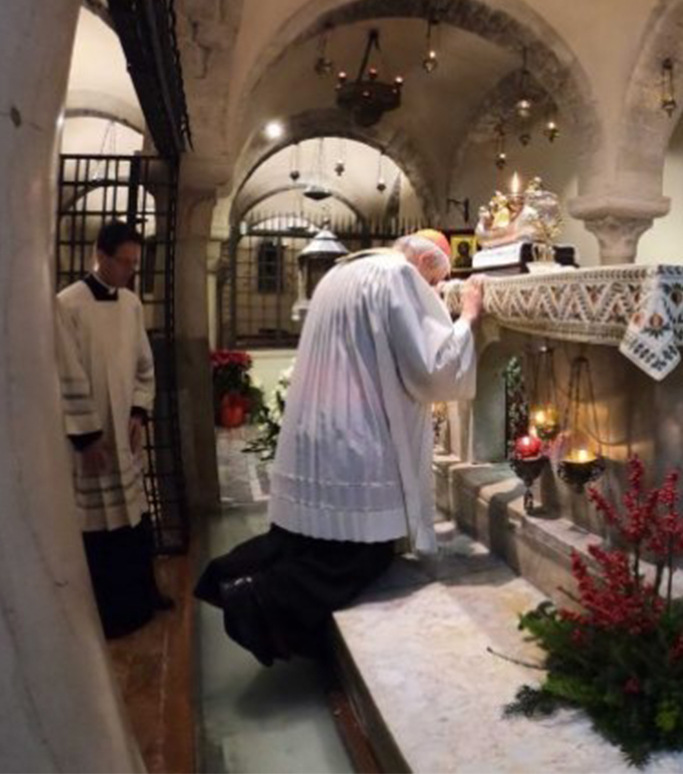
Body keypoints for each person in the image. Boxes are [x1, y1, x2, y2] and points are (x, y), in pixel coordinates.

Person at [195, 231, 484, 665]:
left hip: (320, 432)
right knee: (360, 557)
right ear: (426, 264)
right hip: (358, 438)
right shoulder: (398, 276)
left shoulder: (340, 273)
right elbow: (431, 370)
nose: (433, 291)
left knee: (304, 538)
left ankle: (224, 573)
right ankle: (250, 600)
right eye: (434, 283)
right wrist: (467, 320)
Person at [56, 220, 169, 638]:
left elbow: (144, 365)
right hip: (91, 439)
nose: (130, 271)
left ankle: (144, 595)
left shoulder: (132, 304)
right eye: (124, 262)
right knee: (99, 526)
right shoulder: (67, 305)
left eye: (135, 263)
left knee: (135, 519)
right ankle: (113, 613)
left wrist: (138, 412)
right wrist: (86, 437)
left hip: (125, 432)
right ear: (100, 255)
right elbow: (64, 374)